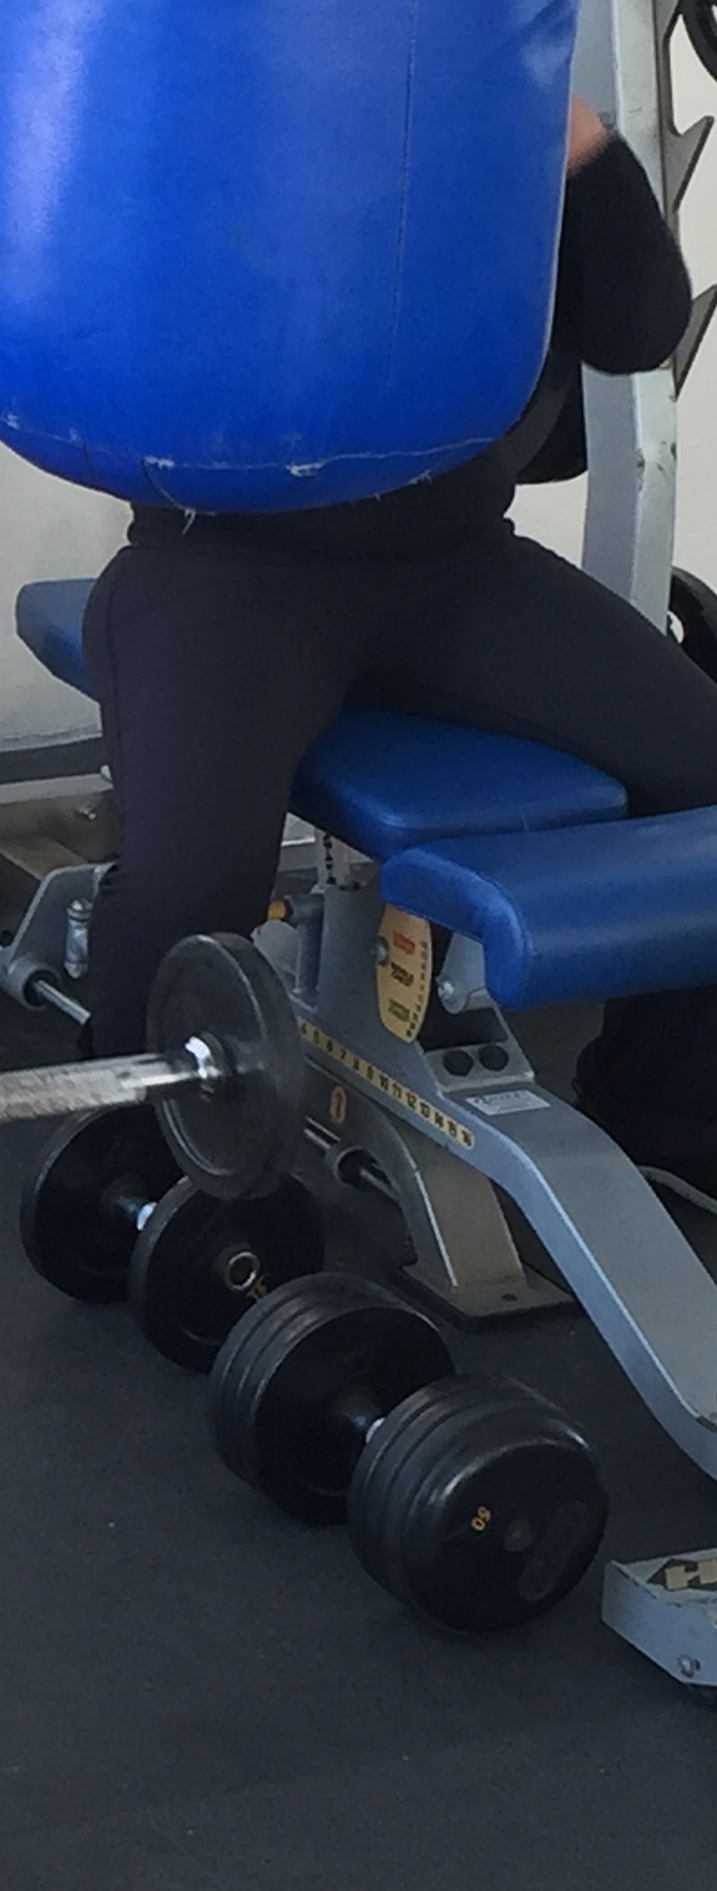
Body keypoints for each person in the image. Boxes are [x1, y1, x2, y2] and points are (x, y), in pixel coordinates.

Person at [82, 100, 712, 1185]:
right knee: (189, 888)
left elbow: (637, 330)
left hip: (456, 566)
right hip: (225, 572)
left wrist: (579, 147)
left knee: (706, 773)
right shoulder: (218, 96)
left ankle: (665, 1119)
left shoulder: (470, 96)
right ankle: (135, 1171)